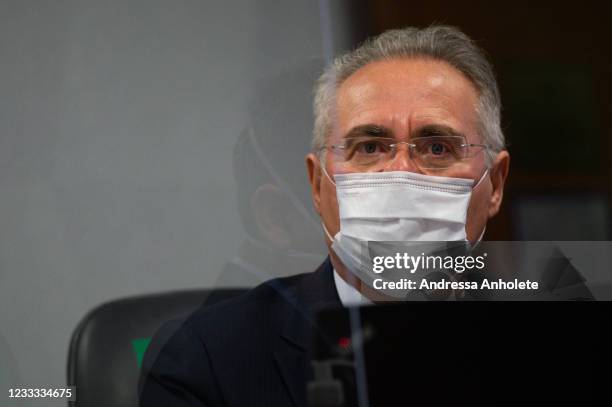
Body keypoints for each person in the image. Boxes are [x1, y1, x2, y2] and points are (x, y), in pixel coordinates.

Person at [139, 25, 510, 407]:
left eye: (436, 147)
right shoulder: (205, 359)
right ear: (317, 184)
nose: (401, 173)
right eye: (369, 147)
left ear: (495, 184)